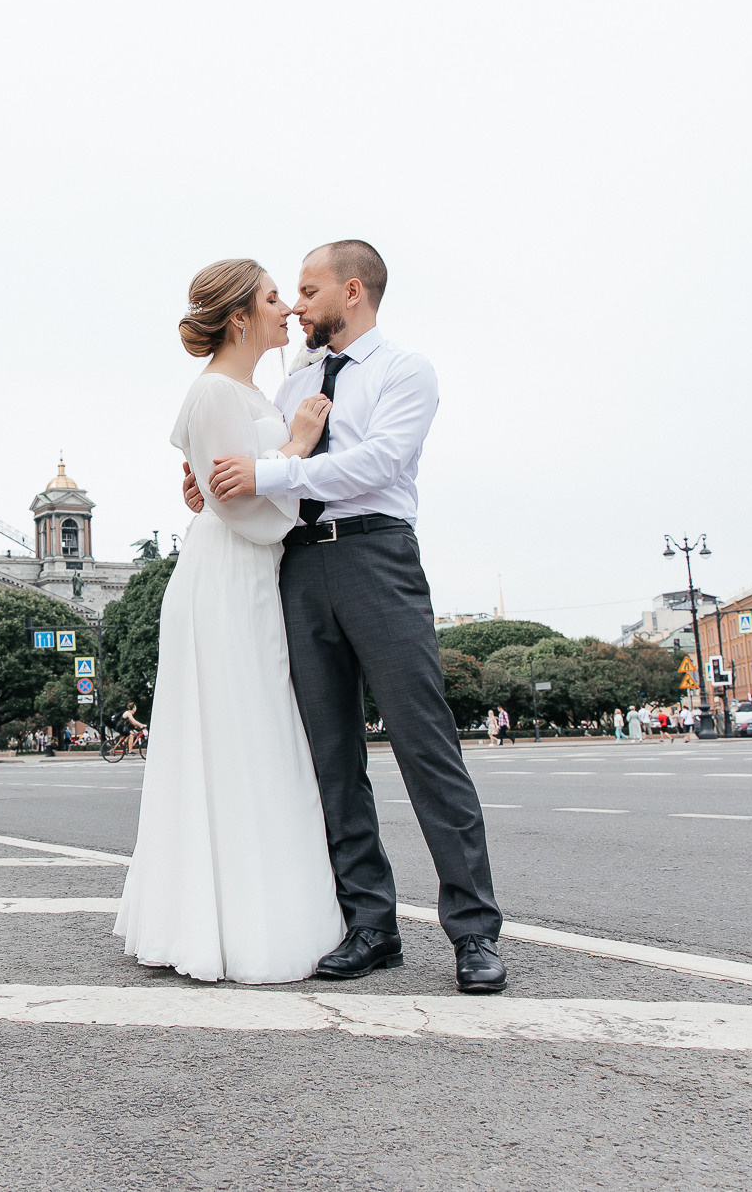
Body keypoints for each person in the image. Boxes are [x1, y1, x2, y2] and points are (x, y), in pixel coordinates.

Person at [160, 245, 507, 991]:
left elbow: (377, 463)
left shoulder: (404, 371)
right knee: (332, 754)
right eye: (286, 295)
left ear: (352, 293)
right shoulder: (291, 383)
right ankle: (371, 924)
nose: (294, 307)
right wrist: (212, 488)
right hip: (297, 565)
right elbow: (240, 473)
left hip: (376, 558)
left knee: (424, 741)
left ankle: (474, 931)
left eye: (308, 291)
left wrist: (271, 469)